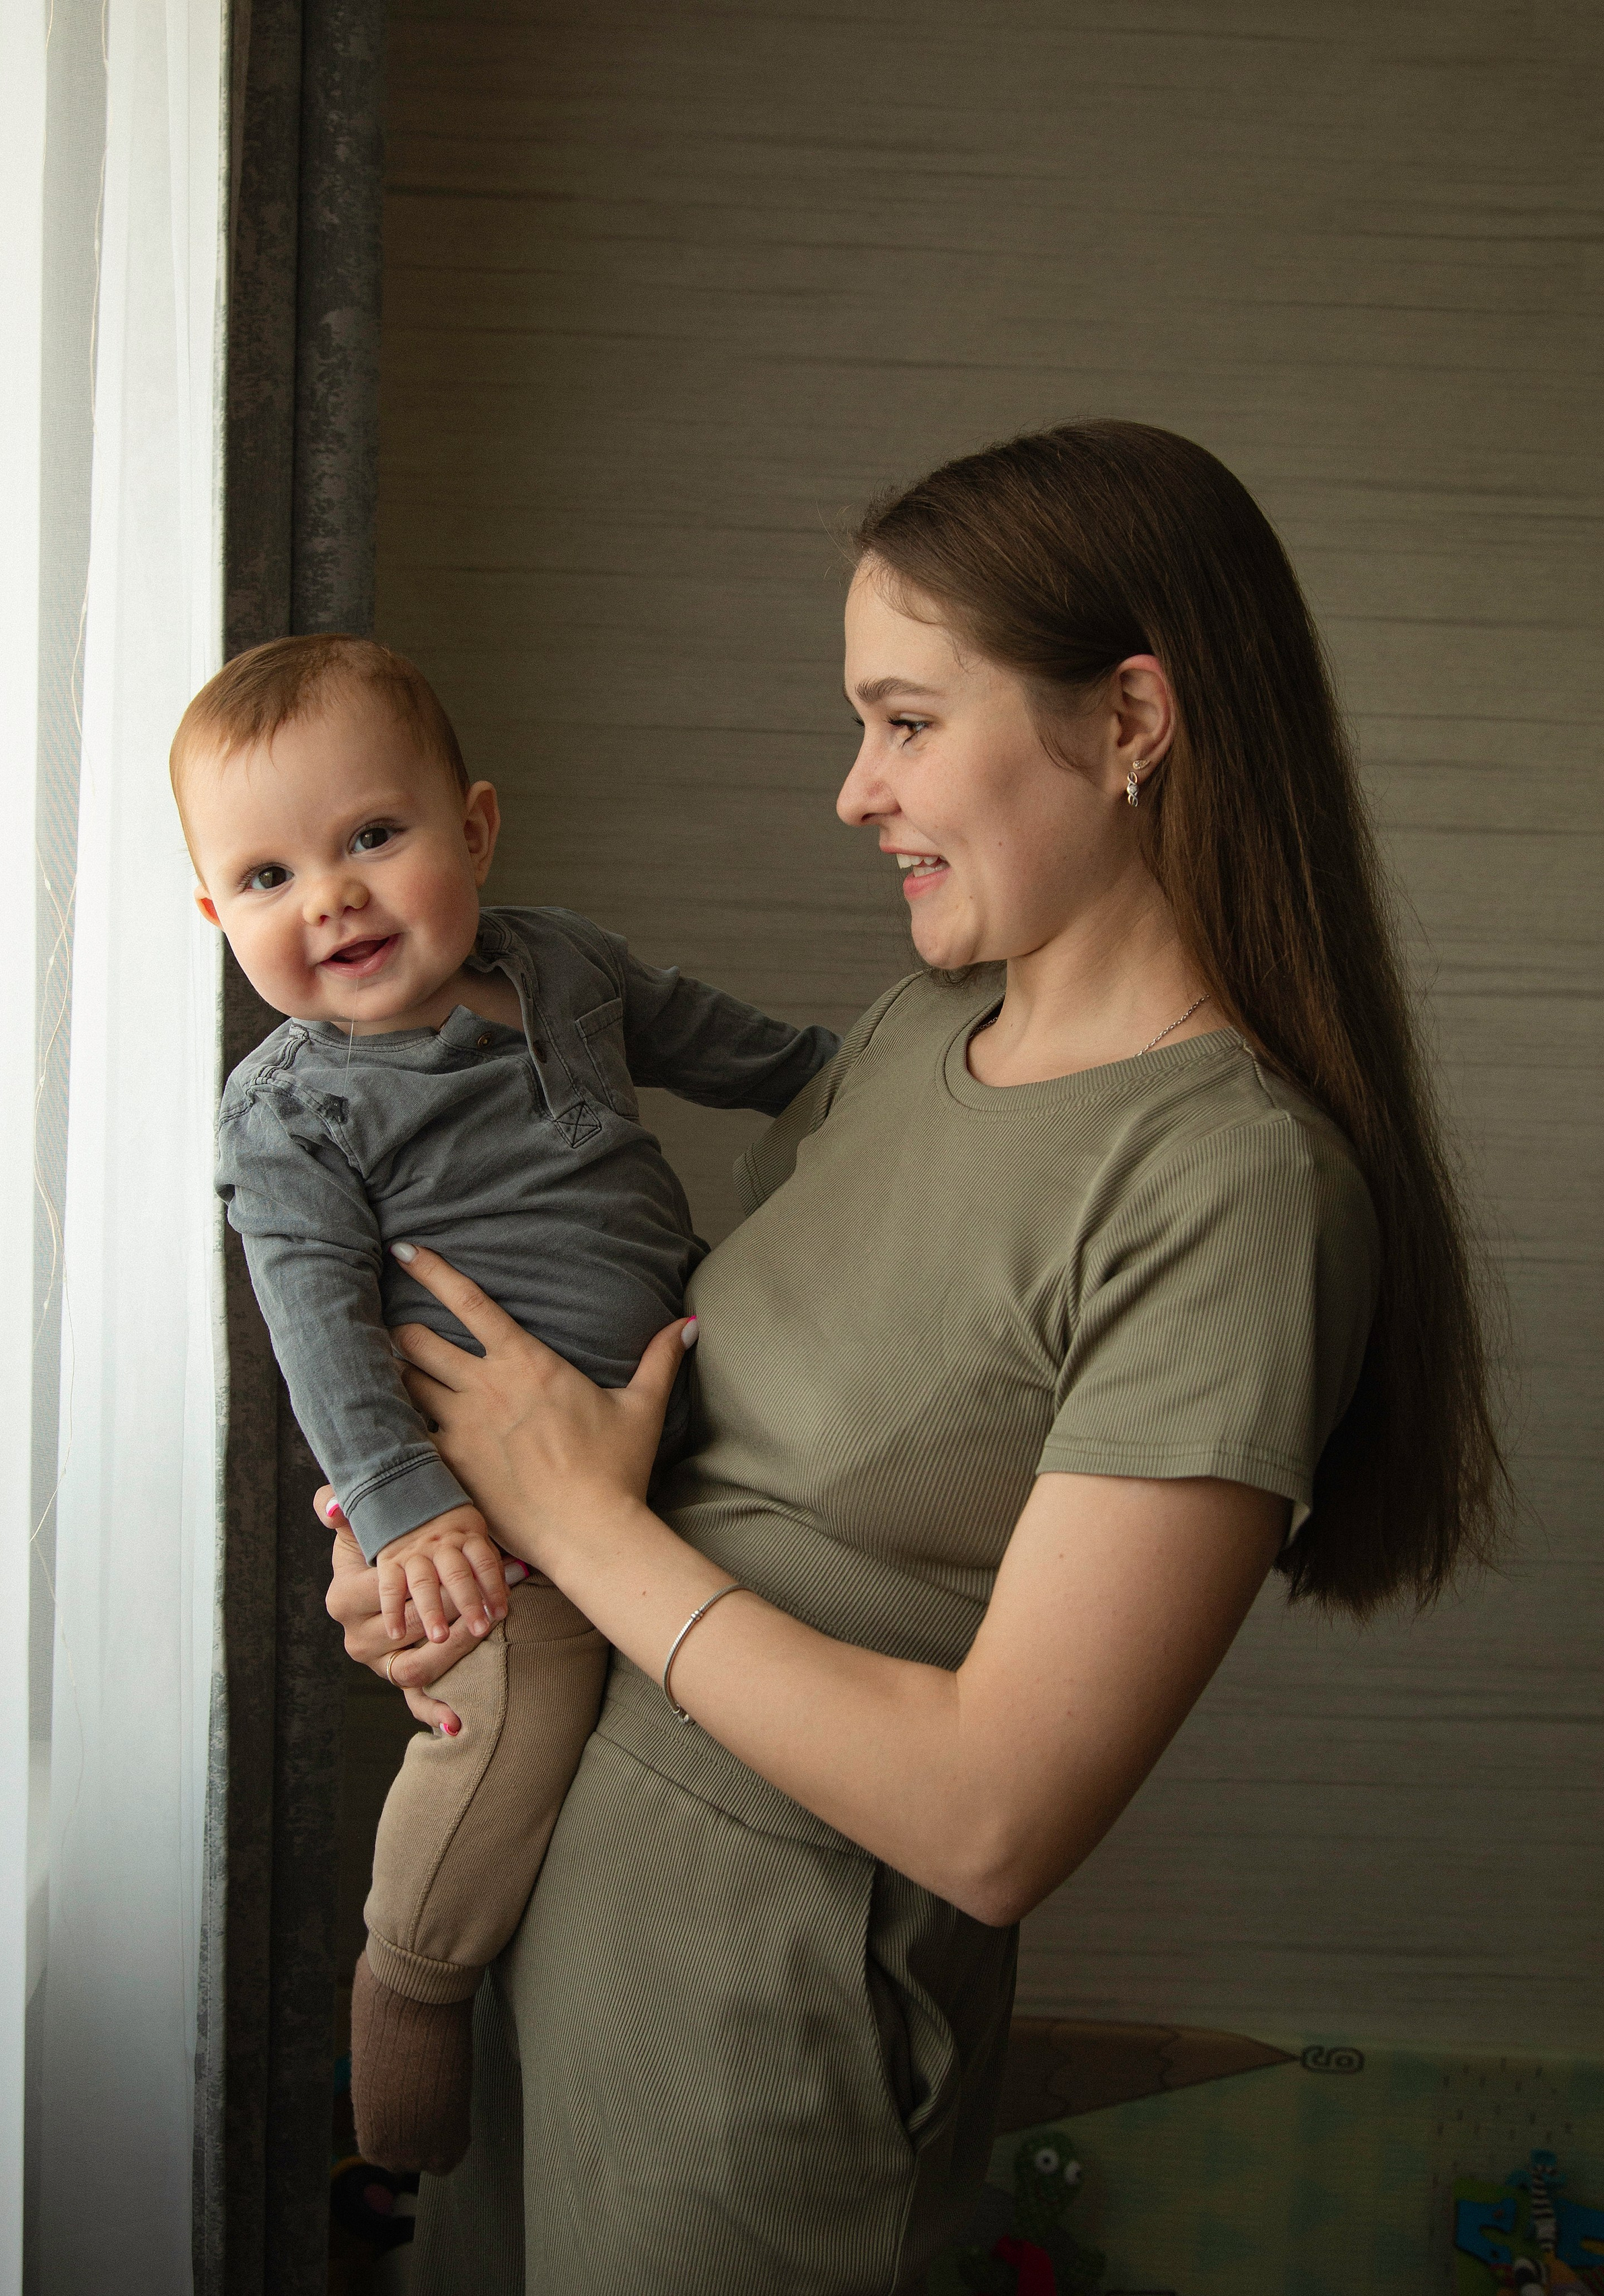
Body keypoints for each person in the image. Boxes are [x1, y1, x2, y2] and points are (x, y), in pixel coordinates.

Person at [325, 420, 1507, 2296]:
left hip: (758, 2073)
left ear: (1130, 718)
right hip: (562, 1960)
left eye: (903, 718)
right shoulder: (910, 1032)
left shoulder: (1233, 1186)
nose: (854, 791)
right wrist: (451, 1549)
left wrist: (587, 1522)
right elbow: (679, 1420)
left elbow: (997, 1812)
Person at [172, 634, 837, 2173]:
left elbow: (750, 1053)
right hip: (467, 1494)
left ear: (471, 829)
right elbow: (317, 1331)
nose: (326, 897)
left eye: (371, 839)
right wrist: (408, 1510)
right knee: (501, 1733)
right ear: (215, 916)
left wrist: (856, 1074)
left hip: (664, 1430)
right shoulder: (294, 1112)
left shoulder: (569, 967)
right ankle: (410, 1987)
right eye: (263, 879)